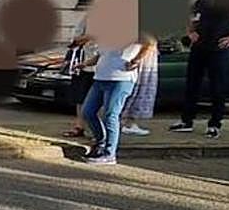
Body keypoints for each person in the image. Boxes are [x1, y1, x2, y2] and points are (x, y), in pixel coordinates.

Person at [169, 0, 229, 138]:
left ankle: (214, 124)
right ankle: (186, 121)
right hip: (199, 47)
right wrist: (190, 31)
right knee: (192, 84)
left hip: (219, 49)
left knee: (217, 87)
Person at [81, 36, 154, 165]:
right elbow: (100, 56)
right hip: (101, 78)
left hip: (121, 79)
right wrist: (85, 64)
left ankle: (109, 154)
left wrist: (136, 60)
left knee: (110, 115)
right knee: (87, 112)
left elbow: (150, 42)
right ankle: (100, 142)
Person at [62, 14, 97, 138]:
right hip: (84, 63)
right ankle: (79, 127)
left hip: (103, 67)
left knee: (101, 100)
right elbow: (75, 40)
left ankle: (97, 130)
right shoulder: (88, 18)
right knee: (80, 97)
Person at [120, 33, 159, 136]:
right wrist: (137, 59)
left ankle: (127, 122)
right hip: (141, 60)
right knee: (138, 90)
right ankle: (128, 123)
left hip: (139, 56)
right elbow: (149, 42)